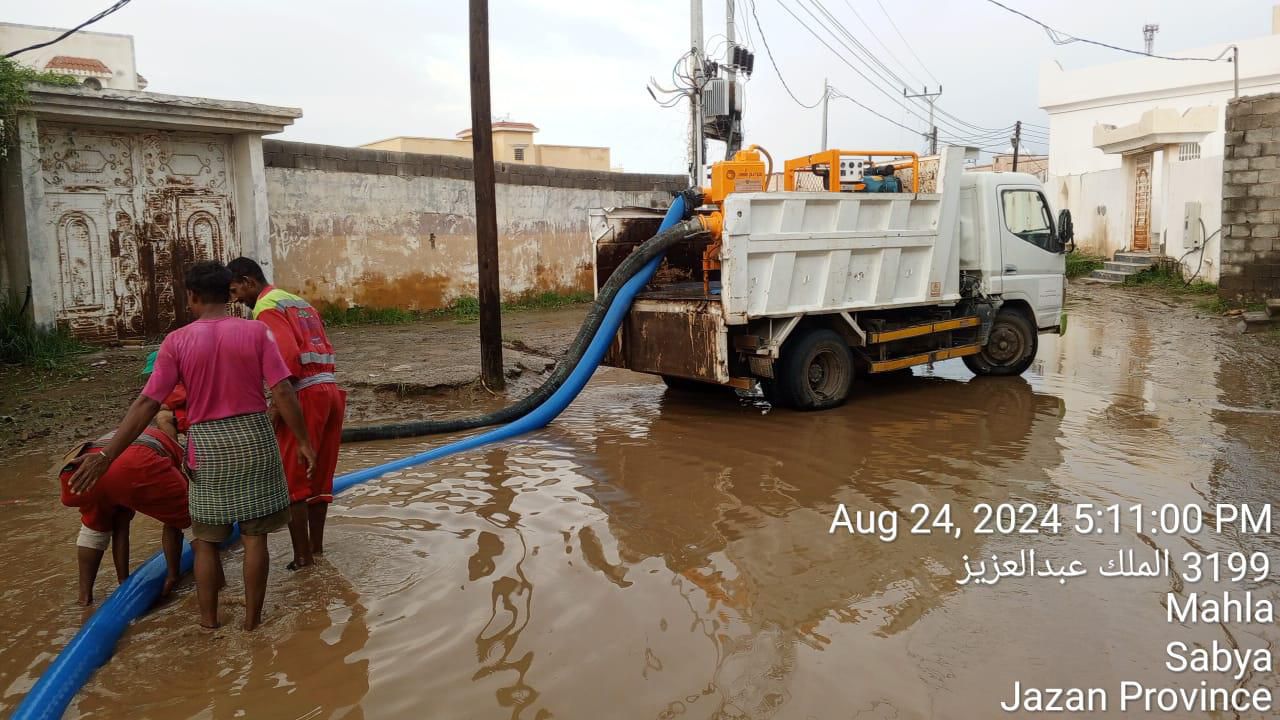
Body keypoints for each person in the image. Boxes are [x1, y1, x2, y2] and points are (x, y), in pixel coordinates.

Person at [66, 260, 317, 631]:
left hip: (208, 446)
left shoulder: (177, 341)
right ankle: (252, 624)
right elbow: (281, 390)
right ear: (228, 293)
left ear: (192, 296)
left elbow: (148, 403)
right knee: (254, 537)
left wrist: (107, 455)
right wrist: (303, 441)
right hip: (254, 439)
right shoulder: (255, 333)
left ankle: (208, 624)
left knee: (205, 538)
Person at [228, 257, 346, 571]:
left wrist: (276, 408)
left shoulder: (266, 307)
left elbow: (287, 360)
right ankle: (317, 551)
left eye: (235, 289)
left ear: (248, 281)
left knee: (293, 479)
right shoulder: (297, 301)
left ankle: (303, 558)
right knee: (319, 476)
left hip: (303, 394)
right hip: (330, 390)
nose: (235, 298)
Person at [59, 409, 189, 606]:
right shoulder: (173, 447)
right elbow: (175, 519)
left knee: (95, 527)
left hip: (83, 468)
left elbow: (121, 525)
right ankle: (174, 580)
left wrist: (124, 580)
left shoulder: (123, 433)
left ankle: (85, 597)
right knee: (180, 516)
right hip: (134, 464)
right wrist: (172, 573)